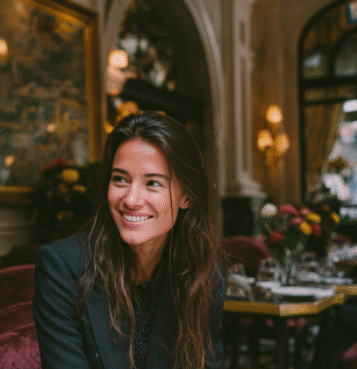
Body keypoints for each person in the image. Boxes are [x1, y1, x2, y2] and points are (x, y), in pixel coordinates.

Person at [33, 111, 224, 369]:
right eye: (120, 179)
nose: (131, 200)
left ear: (186, 196)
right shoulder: (63, 267)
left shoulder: (203, 271)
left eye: (153, 183)